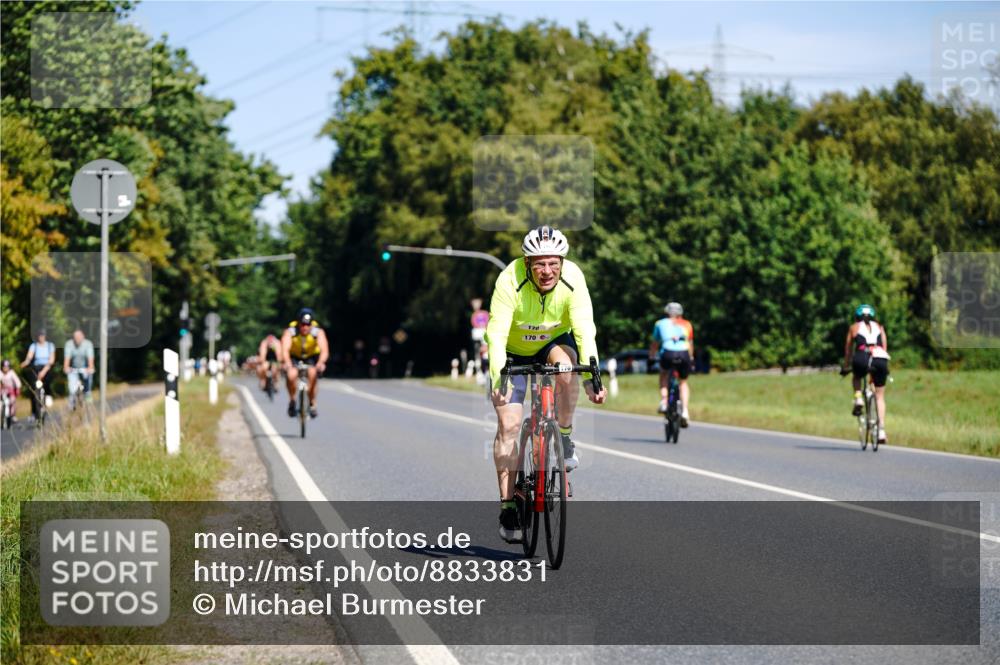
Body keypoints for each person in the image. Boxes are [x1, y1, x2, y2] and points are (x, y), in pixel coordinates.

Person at [486, 226, 606, 543]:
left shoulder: (573, 279)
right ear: (527, 263)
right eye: (539, 263)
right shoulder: (509, 280)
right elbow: (495, 332)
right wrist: (498, 372)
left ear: (562, 263)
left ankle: (563, 436)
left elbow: (584, 329)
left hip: (552, 341)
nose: (547, 271)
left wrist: (593, 374)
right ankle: (508, 503)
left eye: (553, 263)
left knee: (566, 369)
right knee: (509, 425)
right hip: (512, 350)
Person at [843, 303, 890, 444]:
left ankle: (858, 398)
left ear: (857, 316)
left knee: (856, 377)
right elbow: (884, 347)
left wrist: (846, 366)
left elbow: (848, 350)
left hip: (861, 356)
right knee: (880, 396)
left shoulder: (854, 327)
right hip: (880, 358)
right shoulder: (880, 327)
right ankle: (881, 430)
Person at [651, 302, 694, 426]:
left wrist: (651, 356)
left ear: (667, 312)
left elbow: (655, 343)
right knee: (683, 382)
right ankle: (685, 411)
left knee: (663, 374)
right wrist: (691, 358)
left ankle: (664, 402)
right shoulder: (687, 324)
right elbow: (690, 344)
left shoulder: (659, 323)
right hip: (684, 354)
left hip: (668, 353)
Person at [281, 308, 329, 419]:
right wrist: (287, 362)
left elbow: (324, 350)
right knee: (291, 375)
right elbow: (285, 349)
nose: (305, 327)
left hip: (311, 357)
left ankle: (312, 402)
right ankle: (292, 400)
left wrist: (321, 363)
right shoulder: (291, 331)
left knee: (313, 374)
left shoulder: (317, 332)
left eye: (307, 325)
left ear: (311, 324)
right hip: (295, 356)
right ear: (298, 323)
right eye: (302, 324)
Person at [20, 329, 56, 421]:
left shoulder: (50, 346)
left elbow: (51, 360)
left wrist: (44, 371)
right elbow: (29, 357)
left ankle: (48, 395)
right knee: (33, 388)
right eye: (40, 335)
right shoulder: (34, 346)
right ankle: (34, 411)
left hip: (47, 367)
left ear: (45, 336)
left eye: (42, 335)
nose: (41, 337)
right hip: (36, 368)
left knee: (47, 384)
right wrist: (24, 363)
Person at [63, 328, 95, 409]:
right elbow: (67, 359)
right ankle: (71, 405)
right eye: (75, 338)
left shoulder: (88, 344)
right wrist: (66, 367)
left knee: (88, 384)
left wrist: (90, 368)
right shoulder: (69, 344)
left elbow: (90, 359)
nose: (77, 340)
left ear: (83, 337)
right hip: (74, 368)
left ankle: (88, 400)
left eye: (79, 338)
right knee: (72, 388)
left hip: (85, 368)